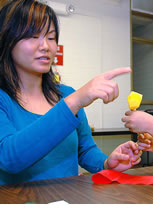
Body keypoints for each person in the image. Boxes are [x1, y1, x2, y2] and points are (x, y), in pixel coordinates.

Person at [0, 0, 141, 185]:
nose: (45, 46)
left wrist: (108, 163)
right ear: (8, 40)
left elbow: (85, 150)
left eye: (51, 38)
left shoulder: (66, 94)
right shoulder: (5, 99)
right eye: (33, 36)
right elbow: (9, 158)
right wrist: (74, 101)